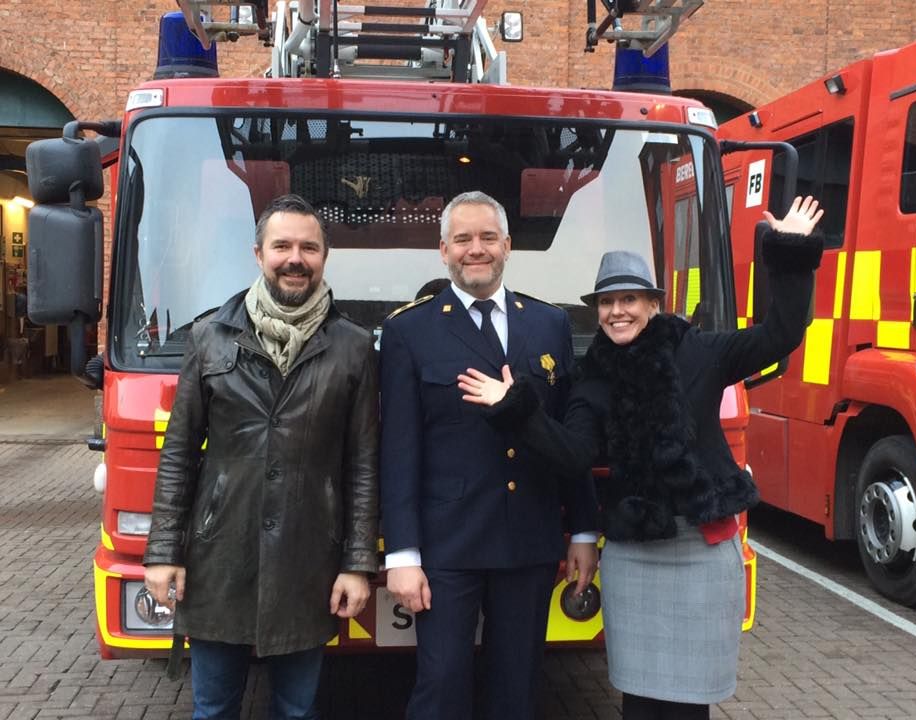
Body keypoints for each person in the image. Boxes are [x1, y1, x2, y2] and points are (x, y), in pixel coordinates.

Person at [458, 196, 825, 720]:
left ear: (653, 304)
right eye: (606, 303)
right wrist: (517, 409)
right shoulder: (595, 378)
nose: (617, 311)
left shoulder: (700, 352)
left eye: (629, 299)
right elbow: (573, 453)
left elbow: (782, 333)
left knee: (688, 703)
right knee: (639, 699)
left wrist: (788, 252)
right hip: (634, 554)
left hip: (700, 546)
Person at [143, 193, 379, 720]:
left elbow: (363, 465)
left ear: (324, 256)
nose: (295, 258)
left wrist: (357, 564)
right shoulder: (209, 338)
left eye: (309, 247)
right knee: (213, 710)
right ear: (258, 254)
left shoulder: (353, 347)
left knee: (298, 712)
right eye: (282, 246)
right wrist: (163, 551)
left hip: (307, 559)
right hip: (218, 557)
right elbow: (179, 452)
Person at [379, 190, 600, 720]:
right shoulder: (409, 330)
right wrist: (402, 554)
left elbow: (565, 440)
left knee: (518, 688)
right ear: (443, 251)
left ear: (506, 245)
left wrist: (586, 532)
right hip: (449, 544)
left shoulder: (548, 325)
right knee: (442, 684)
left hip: (529, 538)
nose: (474, 249)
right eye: (462, 239)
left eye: (486, 238)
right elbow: (399, 451)